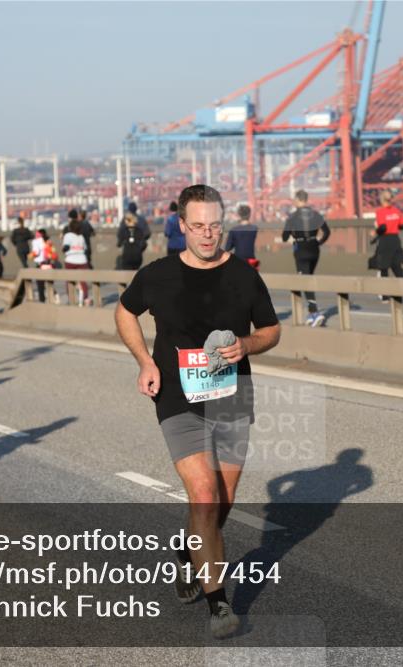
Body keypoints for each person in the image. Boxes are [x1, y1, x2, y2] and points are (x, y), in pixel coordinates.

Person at [114, 184, 280, 639]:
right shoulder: (158, 274)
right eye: (198, 227)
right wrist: (145, 360)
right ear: (182, 226)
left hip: (232, 395)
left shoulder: (244, 275)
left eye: (215, 226)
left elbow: (271, 330)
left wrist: (247, 344)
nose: (208, 235)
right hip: (177, 397)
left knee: (220, 503)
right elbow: (125, 312)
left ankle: (188, 553)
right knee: (204, 495)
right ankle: (219, 605)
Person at [281, 189, 331, 326]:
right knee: (308, 278)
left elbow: (284, 237)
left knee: (305, 281)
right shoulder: (315, 214)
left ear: (297, 200)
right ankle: (311, 313)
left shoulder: (292, 217)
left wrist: (291, 233)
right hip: (314, 248)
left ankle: (315, 313)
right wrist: (319, 242)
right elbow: (327, 232)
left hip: (301, 248)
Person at [372, 191, 403, 293]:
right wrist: (394, 225)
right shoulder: (397, 211)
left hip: (385, 240)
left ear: (382, 200)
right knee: (397, 266)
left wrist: (375, 231)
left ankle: (385, 295)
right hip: (395, 240)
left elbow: (382, 228)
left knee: (384, 267)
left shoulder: (380, 212)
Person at [62, 217, 91, 305]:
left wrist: (64, 249)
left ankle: (71, 298)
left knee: (69, 280)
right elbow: (86, 249)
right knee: (83, 280)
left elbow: (66, 247)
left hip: (70, 260)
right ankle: (85, 298)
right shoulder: (81, 237)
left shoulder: (68, 235)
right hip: (82, 260)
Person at [224, 204, 259, 269]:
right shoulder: (254, 228)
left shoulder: (234, 230)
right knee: (252, 278)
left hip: (238, 261)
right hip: (252, 261)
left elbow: (227, 248)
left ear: (239, 215)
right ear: (249, 215)